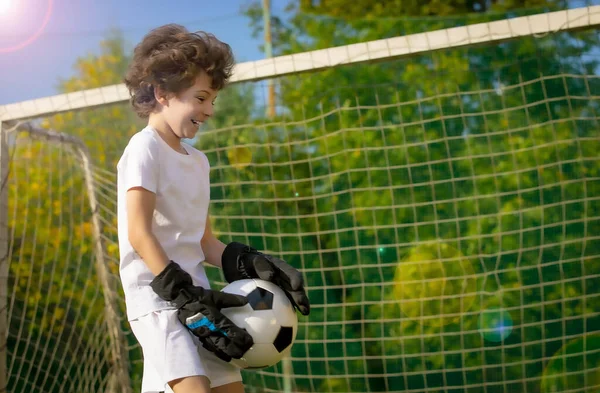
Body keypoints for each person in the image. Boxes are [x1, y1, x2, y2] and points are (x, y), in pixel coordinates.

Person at [117, 24, 310, 393]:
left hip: (200, 303)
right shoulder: (144, 150)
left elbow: (204, 242)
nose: (209, 110)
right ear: (162, 93)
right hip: (159, 302)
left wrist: (253, 263)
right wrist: (182, 295)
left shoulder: (199, 161)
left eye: (213, 101)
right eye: (201, 98)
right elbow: (139, 233)